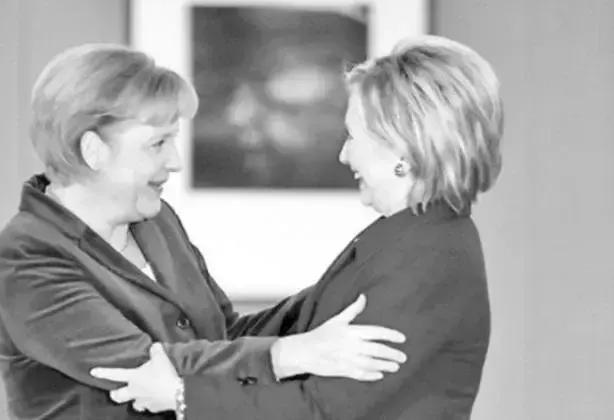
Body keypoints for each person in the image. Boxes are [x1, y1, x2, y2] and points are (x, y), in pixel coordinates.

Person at [0, 44, 409, 420]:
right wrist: (291, 354)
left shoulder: (157, 221)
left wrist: (334, 291)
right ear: (93, 150)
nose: (175, 162)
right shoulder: (27, 257)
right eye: (157, 144)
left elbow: (223, 337)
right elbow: (147, 370)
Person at [92, 35, 503, 419]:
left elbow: (326, 409)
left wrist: (183, 396)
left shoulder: (425, 257)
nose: (344, 155)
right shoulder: (410, 240)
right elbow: (292, 328)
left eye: (352, 136)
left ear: (402, 149)